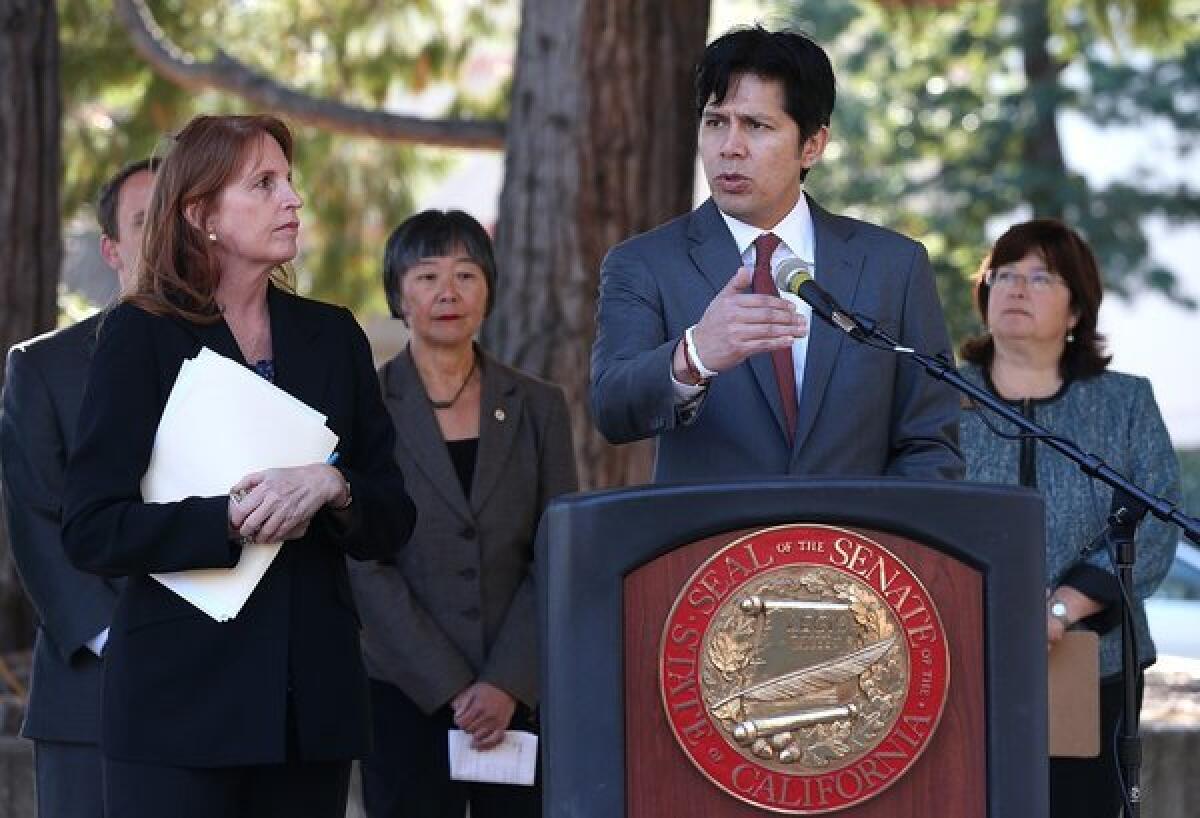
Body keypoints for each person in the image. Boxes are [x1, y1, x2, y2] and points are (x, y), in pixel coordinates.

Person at [59, 114, 416, 818]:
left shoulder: (334, 334)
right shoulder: (141, 334)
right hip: (178, 708)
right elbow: (91, 529)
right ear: (202, 215)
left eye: (289, 179)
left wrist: (334, 487)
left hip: (309, 709)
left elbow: (393, 516)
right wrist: (228, 518)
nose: (293, 198)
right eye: (264, 183)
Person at [590, 25, 962, 482]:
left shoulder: (893, 267)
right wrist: (695, 354)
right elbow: (611, 408)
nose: (730, 147)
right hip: (711, 548)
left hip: (851, 549)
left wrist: (878, 546)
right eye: (715, 122)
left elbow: (929, 444)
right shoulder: (645, 263)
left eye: (757, 125)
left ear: (812, 145)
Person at [347, 210, 578, 818]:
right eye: (427, 277)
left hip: (517, 691)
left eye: (466, 274)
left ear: (489, 290)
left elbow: (558, 550)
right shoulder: (361, 407)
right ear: (399, 294)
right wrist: (450, 684)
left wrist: (506, 682)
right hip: (403, 690)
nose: (447, 293)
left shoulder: (538, 407)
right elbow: (361, 560)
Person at [957, 219, 1180, 818]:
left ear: (1078, 309)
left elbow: (1156, 519)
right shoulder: (942, 400)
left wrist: (1063, 606)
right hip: (959, 658)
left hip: (1092, 661)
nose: (1016, 288)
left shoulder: (1124, 401)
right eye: (1003, 274)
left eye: (1040, 276)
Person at [1, 158, 156, 818]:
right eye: (148, 221)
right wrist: (119, 641)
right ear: (113, 250)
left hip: (226, 694)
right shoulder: (45, 367)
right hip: (91, 692)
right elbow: (34, 521)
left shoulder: (257, 354)